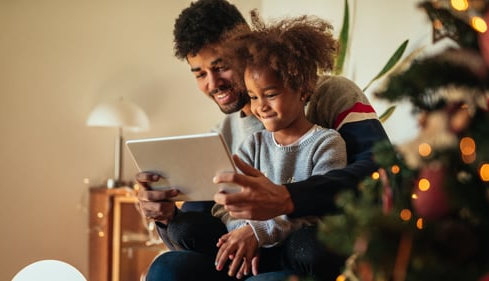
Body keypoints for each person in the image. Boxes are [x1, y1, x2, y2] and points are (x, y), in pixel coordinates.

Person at [135, 0, 390, 280]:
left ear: (246, 50)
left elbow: (382, 171)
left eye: (220, 66)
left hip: (302, 250)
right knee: (167, 266)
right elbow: (197, 234)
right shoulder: (223, 134)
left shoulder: (331, 95)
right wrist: (166, 216)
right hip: (243, 258)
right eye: (200, 73)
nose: (213, 83)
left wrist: (288, 199)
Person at [210, 11, 348, 279]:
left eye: (270, 94)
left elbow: (319, 212)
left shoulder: (327, 143)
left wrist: (258, 232)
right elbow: (225, 203)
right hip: (251, 252)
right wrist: (244, 232)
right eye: (253, 96)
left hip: (293, 255)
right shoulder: (253, 145)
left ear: (304, 89)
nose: (260, 106)